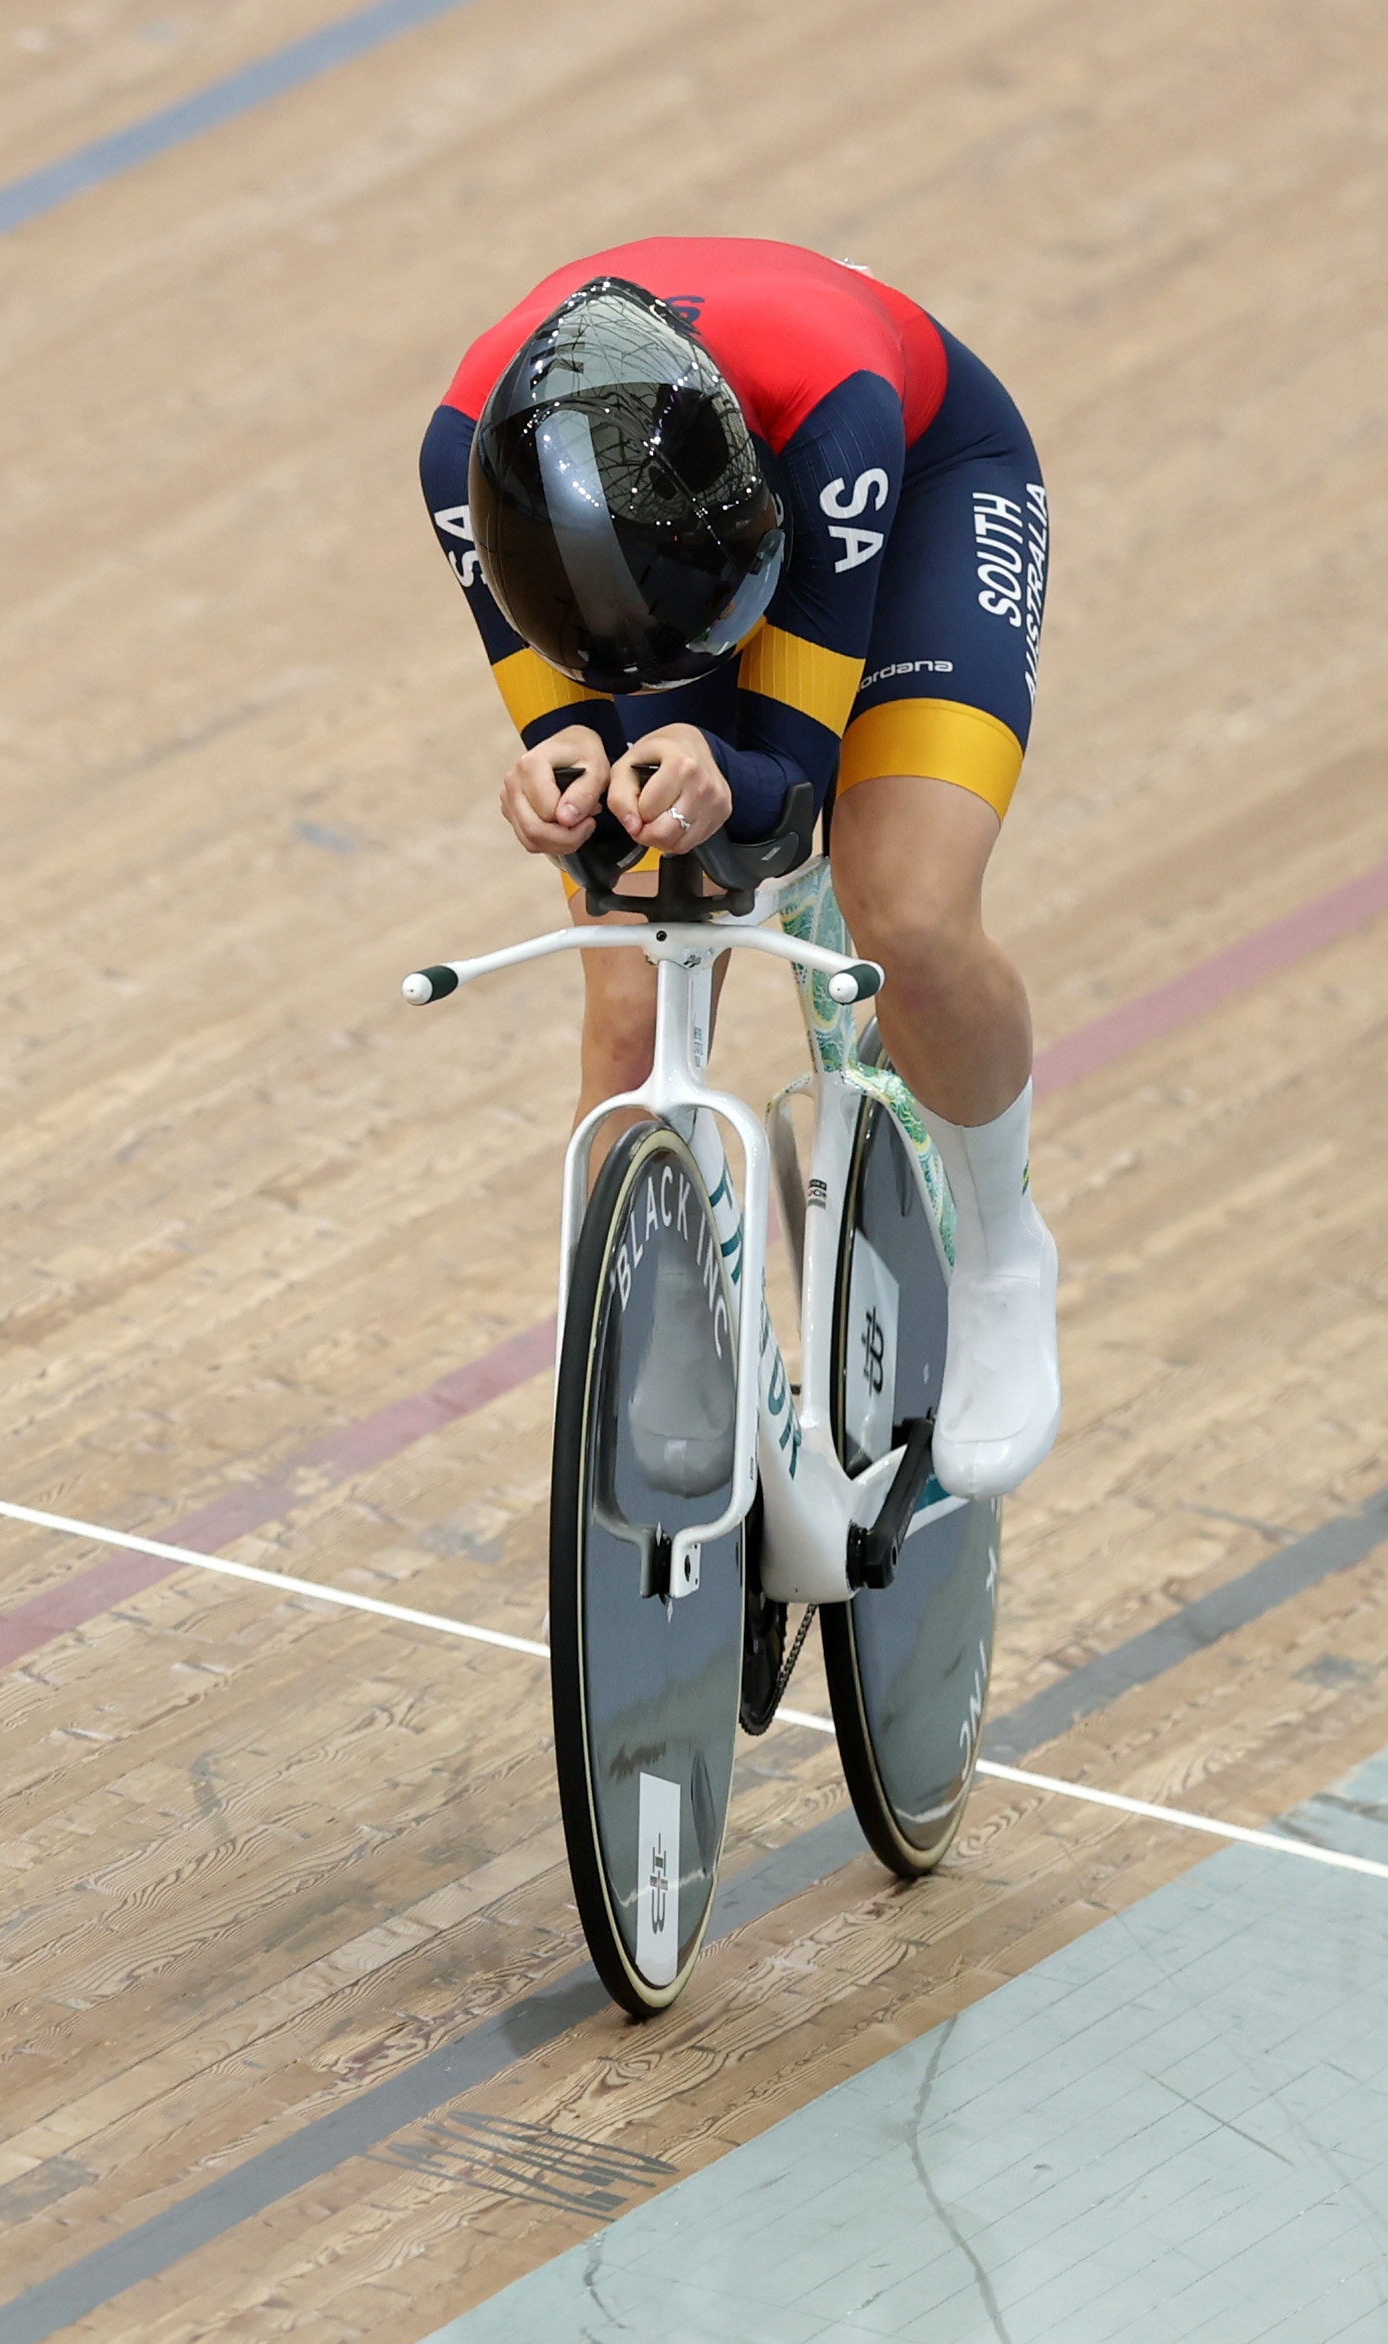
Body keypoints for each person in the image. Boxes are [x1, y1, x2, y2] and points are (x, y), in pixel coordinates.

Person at [418, 239, 1060, 1497]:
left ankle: (1001, 1256)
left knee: (907, 913)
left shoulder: (838, 425)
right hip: (662, 551)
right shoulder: (462, 462)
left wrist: (729, 781)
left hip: (914, 496)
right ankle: (655, 1321)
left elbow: (785, 788)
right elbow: (564, 727)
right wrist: (558, 781)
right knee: (625, 988)